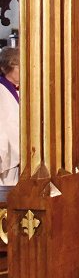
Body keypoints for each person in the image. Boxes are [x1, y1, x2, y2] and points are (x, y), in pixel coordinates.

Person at [0, 47, 20, 186]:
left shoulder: (17, 89)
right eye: (18, 66)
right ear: (5, 67)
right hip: (7, 159)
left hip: (19, 157)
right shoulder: (2, 89)